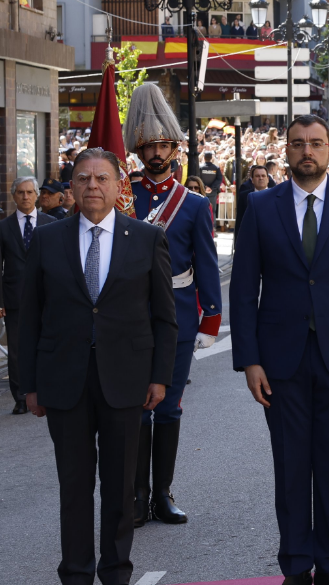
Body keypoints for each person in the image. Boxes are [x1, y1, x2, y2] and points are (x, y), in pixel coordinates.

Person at [231, 115, 329, 585]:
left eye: (316, 143)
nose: (307, 151)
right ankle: (297, 565)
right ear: (286, 151)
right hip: (279, 360)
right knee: (291, 465)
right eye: (298, 143)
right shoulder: (261, 206)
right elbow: (243, 290)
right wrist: (250, 360)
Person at [18, 149, 177, 585]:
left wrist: (160, 377)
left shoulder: (146, 238)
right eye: (84, 178)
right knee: (74, 487)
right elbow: (28, 317)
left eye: (102, 178)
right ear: (71, 187)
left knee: (119, 487)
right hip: (63, 380)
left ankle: (116, 571)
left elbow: (165, 317)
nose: (92, 186)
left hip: (126, 382)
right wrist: (28, 384)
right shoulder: (48, 240)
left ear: (117, 185)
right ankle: (75, 573)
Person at [124, 84, 223, 528]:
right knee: (133, 407)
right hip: (128, 318)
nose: (156, 153)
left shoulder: (194, 204)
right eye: (148, 145)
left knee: (167, 406)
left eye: (163, 144)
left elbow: (206, 264)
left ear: (174, 147)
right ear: (139, 148)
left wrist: (211, 319)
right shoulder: (123, 196)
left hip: (180, 317)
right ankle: (135, 495)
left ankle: (162, 493)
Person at [0, 176, 56, 413]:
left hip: (49, 296)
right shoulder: (3, 227)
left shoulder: (51, 223)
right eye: (20, 193)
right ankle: (21, 397)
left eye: (29, 192)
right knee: (17, 350)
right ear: (14, 196)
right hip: (15, 298)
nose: (25, 197)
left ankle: (50, 391)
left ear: (37, 196)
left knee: (50, 343)